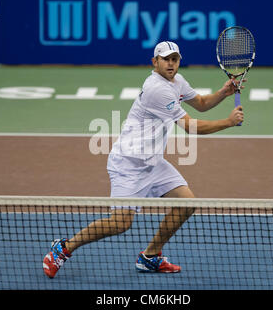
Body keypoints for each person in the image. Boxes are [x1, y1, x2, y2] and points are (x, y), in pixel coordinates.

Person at [43, 41, 244, 278]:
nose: (170, 63)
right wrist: (228, 122)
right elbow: (190, 127)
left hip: (153, 162)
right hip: (128, 163)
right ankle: (63, 248)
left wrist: (223, 92)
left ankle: (150, 256)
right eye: (165, 59)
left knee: (187, 203)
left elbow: (200, 104)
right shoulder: (156, 89)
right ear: (154, 62)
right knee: (119, 224)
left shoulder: (177, 82)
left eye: (175, 59)